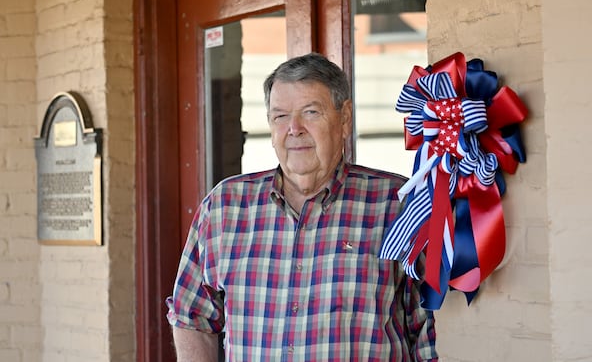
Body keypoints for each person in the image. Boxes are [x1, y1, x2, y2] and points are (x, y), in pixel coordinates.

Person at [166, 52, 438, 361]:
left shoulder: (397, 205)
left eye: (310, 112)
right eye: (280, 116)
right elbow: (192, 317)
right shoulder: (224, 207)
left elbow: (428, 331)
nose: (294, 128)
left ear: (344, 118)